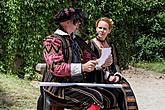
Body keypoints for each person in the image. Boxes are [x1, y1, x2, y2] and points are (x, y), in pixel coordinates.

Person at [39, 6, 106, 110]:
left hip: (75, 84)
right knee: (94, 98)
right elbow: (56, 67)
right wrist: (82, 68)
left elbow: (87, 60)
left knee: (108, 95)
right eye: (77, 21)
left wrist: (101, 62)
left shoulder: (76, 40)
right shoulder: (52, 41)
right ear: (67, 22)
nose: (79, 23)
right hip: (57, 87)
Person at [83, 17, 139, 110]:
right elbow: (87, 64)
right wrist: (105, 73)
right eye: (100, 28)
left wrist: (117, 75)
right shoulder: (89, 44)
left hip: (112, 76)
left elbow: (116, 64)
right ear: (96, 28)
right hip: (95, 77)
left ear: (109, 30)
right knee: (114, 95)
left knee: (126, 90)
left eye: (105, 29)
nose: (102, 31)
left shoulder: (111, 45)